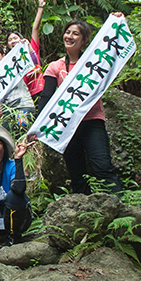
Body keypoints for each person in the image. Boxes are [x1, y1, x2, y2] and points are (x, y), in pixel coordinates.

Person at [38, 17, 123, 194]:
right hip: (67, 127)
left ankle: (121, 213)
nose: (69, 36)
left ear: (84, 41)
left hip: (92, 122)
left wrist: (117, 21)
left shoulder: (94, 64)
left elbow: (113, 52)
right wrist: (38, 127)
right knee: (76, 175)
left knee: (102, 167)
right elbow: (46, 96)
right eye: (67, 32)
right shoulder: (55, 66)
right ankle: (83, 215)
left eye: (75, 34)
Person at [8, 0, 48, 106]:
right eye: (10, 40)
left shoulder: (31, 48)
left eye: (15, 38)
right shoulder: (10, 63)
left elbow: (35, 28)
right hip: (25, 100)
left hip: (40, 91)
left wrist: (41, 7)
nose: (13, 41)